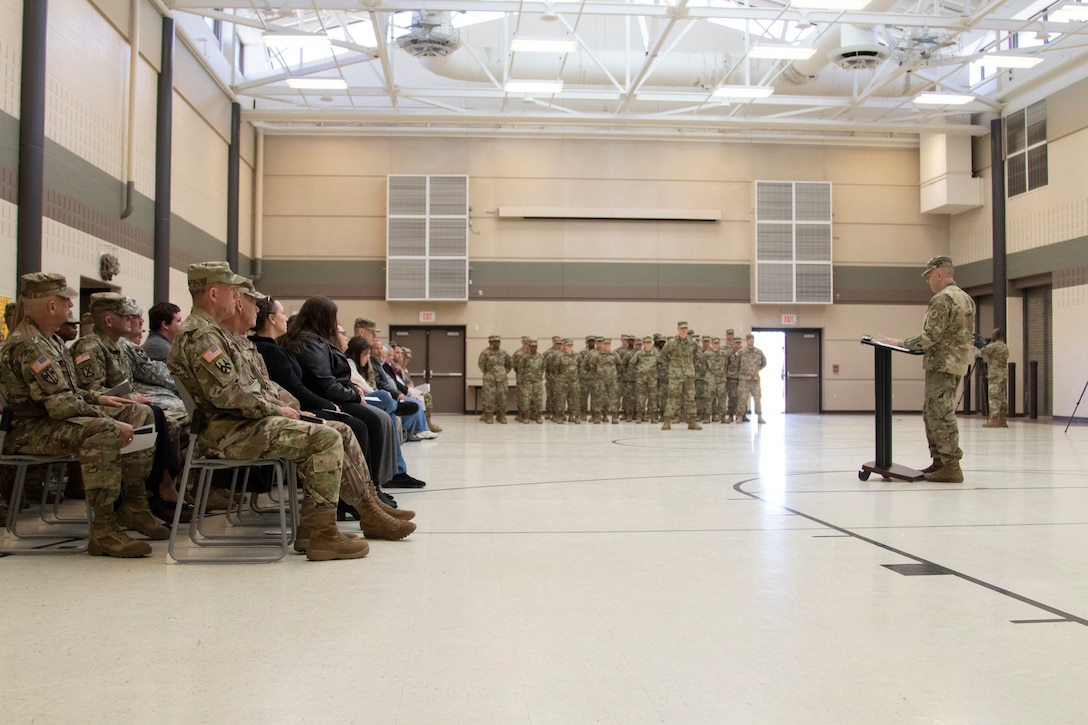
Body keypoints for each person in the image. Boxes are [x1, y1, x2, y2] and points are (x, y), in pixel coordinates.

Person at [167, 262, 370, 561]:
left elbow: (255, 389)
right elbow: (230, 396)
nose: (237, 299)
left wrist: (286, 408)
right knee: (324, 438)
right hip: (227, 431)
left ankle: (317, 529)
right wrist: (278, 410)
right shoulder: (202, 336)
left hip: (241, 424)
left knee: (333, 430)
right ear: (213, 293)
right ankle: (324, 534)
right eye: (233, 292)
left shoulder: (216, 333)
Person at [223, 285, 414, 541]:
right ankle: (328, 527)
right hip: (239, 428)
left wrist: (293, 408)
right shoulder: (221, 341)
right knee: (338, 432)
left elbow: (271, 389)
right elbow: (236, 396)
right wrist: (292, 409)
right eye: (251, 303)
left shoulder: (250, 345)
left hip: (267, 415)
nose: (256, 309)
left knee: (347, 427)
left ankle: (362, 505)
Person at [0, 273, 162, 557]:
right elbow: (60, 405)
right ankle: (103, 529)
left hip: (49, 419)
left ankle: (136, 504)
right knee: (103, 430)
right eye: (66, 303)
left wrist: (99, 398)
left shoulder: (46, 339)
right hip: (29, 429)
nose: (70, 309)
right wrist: (109, 419)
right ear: (52, 306)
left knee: (140, 413)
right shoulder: (30, 344)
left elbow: (68, 392)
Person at [881, 255, 975, 483]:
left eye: (929, 276)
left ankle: (951, 466)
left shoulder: (943, 299)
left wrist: (900, 343)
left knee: (939, 415)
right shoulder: (966, 299)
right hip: (956, 364)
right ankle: (941, 462)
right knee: (935, 412)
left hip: (942, 364)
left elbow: (930, 337)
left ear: (939, 274)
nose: (928, 282)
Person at [659, 322, 701, 431]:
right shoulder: (672, 342)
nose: (684, 330)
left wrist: (692, 367)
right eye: (682, 328)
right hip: (675, 375)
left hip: (688, 375)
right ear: (678, 329)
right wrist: (671, 367)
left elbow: (698, 357)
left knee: (690, 398)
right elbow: (662, 356)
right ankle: (667, 421)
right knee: (672, 398)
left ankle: (692, 422)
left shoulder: (693, 342)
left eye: (685, 328)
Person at [978, 328, 1009, 428]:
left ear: (997, 335)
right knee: (1002, 396)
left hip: (995, 374)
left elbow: (981, 352)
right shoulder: (1005, 347)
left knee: (994, 396)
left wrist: (977, 345)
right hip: (1003, 374)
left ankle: (994, 419)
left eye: (993, 334)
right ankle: (1003, 419)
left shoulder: (994, 346)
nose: (991, 336)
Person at [478, 335, 512, 424]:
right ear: (490, 342)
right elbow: (481, 365)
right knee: (489, 397)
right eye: (494, 342)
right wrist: (488, 373)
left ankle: (502, 416)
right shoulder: (485, 352)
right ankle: (489, 416)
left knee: (502, 397)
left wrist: (503, 372)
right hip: (489, 379)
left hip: (502, 379)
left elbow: (510, 364)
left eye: (498, 342)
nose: (496, 343)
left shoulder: (504, 352)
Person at [736, 333, 768, 424]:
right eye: (749, 339)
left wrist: (757, 369)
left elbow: (764, 362)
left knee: (757, 398)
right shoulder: (741, 351)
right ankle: (739, 416)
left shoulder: (758, 351)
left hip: (755, 380)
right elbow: (736, 363)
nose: (751, 340)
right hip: (744, 379)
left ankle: (759, 416)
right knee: (742, 398)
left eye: (752, 339)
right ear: (746, 340)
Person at [515, 338, 545, 423]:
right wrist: (522, 380)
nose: (533, 348)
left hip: (537, 382)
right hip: (527, 382)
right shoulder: (524, 357)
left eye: (535, 346)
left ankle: (538, 416)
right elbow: (520, 370)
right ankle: (526, 416)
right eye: (532, 346)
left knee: (538, 399)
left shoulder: (540, 356)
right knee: (526, 399)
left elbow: (543, 367)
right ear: (529, 346)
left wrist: (538, 376)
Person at [631, 335, 658, 423]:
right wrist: (637, 373)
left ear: (651, 343)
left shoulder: (656, 354)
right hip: (641, 380)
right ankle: (639, 416)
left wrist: (656, 374)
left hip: (652, 380)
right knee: (640, 397)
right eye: (646, 343)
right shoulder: (639, 354)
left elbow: (662, 364)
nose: (647, 344)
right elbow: (632, 364)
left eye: (649, 343)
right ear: (643, 344)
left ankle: (653, 416)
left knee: (653, 397)